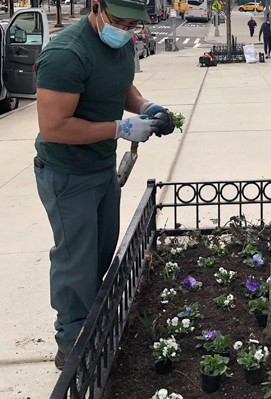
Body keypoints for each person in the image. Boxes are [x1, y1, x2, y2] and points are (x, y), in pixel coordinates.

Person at [34, 0, 175, 370]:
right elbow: (55, 127)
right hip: (67, 174)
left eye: (133, 24)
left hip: (99, 166)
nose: (126, 30)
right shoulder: (66, 54)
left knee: (100, 251)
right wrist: (119, 128)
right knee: (74, 260)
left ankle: (92, 322)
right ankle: (72, 343)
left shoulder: (121, 41)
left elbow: (122, 84)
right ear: (96, 6)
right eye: (119, 21)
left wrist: (146, 107)